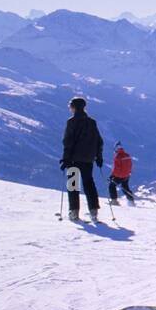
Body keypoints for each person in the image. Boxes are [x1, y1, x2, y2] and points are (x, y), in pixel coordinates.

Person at [60, 96, 103, 224]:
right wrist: (98, 156)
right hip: (88, 159)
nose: (69, 108)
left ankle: (74, 212)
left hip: (73, 159)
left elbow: (68, 141)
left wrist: (65, 158)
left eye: (70, 106)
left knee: (73, 185)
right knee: (89, 184)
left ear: (74, 107)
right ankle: (94, 212)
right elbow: (99, 141)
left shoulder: (71, 122)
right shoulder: (92, 122)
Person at [108, 141, 135, 206]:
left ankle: (114, 201)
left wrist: (112, 176)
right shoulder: (127, 155)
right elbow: (130, 165)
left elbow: (116, 168)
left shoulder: (117, 157)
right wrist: (128, 173)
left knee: (112, 186)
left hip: (119, 176)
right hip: (126, 175)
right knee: (125, 187)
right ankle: (131, 200)